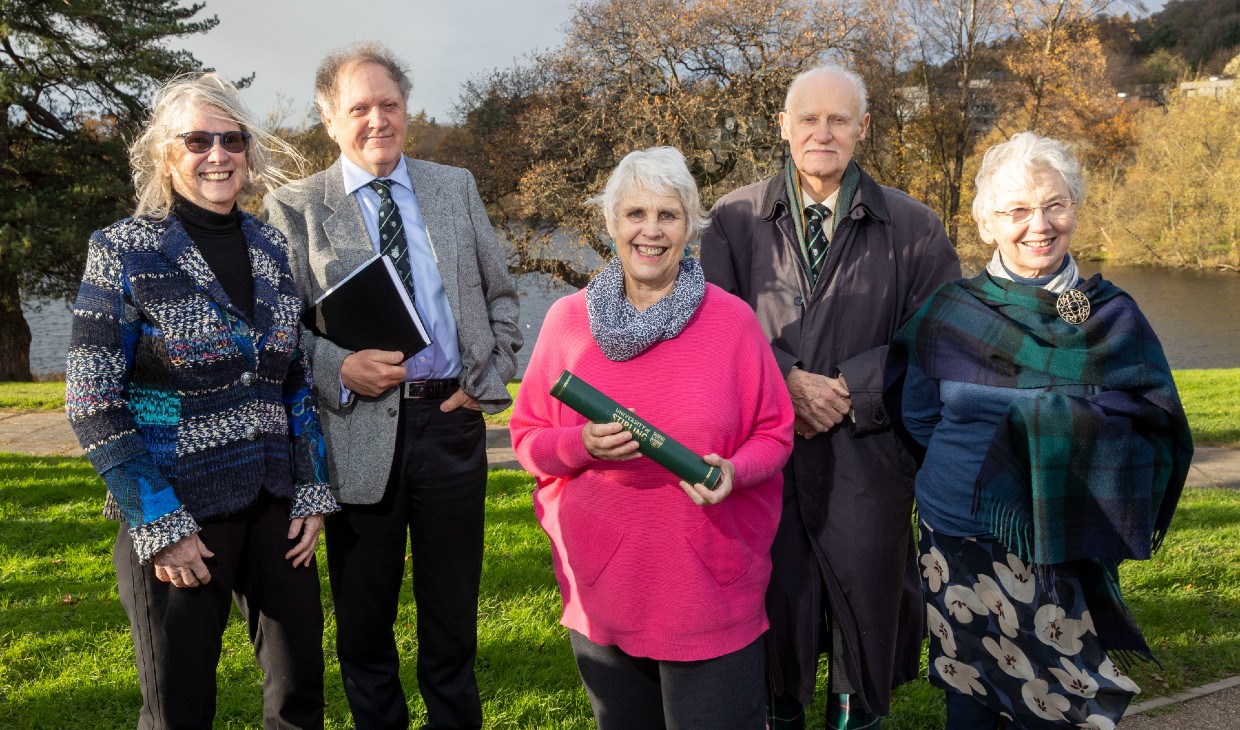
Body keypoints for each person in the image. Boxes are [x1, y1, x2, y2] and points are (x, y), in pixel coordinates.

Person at [64, 72, 337, 729]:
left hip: (275, 506)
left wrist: (312, 490)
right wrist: (160, 525)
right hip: (178, 510)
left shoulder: (271, 248)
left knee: (300, 693)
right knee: (179, 708)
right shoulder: (124, 250)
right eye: (197, 140)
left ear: (249, 151)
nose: (218, 154)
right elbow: (91, 397)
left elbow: (293, 377)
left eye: (232, 139)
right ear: (167, 155)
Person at [893, 132, 1193, 729]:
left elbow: (1156, 419)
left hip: (1059, 538)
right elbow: (919, 414)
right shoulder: (950, 312)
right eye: (1018, 210)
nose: (1040, 224)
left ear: (1075, 209)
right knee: (970, 692)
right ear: (987, 225)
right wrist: (995, 463)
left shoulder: (1112, 315)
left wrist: (1047, 442)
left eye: (1055, 204)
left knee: (1061, 703)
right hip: (958, 538)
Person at [263, 41, 521, 730]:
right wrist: (336, 368)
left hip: (450, 423)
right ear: (329, 120)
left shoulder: (454, 186)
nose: (377, 119)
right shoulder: (294, 207)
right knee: (363, 629)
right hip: (355, 431)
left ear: (407, 110)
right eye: (359, 108)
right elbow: (280, 330)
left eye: (390, 104)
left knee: (452, 623)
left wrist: (487, 383)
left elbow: (503, 299)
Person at [700, 64, 962, 729]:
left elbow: (937, 337)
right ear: (782, 127)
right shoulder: (732, 220)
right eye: (809, 119)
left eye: (839, 119)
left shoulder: (916, 226)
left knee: (860, 644)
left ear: (863, 128)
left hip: (867, 464)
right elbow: (712, 327)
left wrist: (853, 386)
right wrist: (786, 381)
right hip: (766, 467)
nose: (823, 132)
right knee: (777, 641)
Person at [509, 146, 795, 729]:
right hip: (602, 586)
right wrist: (580, 445)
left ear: (690, 226)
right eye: (635, 213)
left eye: (668, 214)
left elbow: (775, 432)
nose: (651, 230)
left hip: (707, 588)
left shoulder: (732, 321)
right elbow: (527, 436)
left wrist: (734, 472)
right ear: (612, 223)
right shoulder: (567, 321)